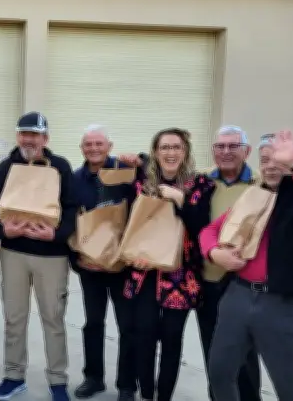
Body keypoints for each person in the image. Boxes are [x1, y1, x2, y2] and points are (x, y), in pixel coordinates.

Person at [201, 131, 293, 401]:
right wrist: (214, 253)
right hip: (238, 297)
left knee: (288, 387)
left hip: (282, 305)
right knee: (219, 373)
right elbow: (210, 231)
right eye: (265, 159)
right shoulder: (254, 197)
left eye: (279, 160)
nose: (270, 165)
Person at [0, 112, 78, 401]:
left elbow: (74, 210)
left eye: (35, 134)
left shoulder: (60, 167)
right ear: (18, 136)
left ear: (45, 138)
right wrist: (3, 231)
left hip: (52, 256)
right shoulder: (6, 167)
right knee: (14, 317)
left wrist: (57, 235)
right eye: (24, 133)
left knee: (53, 318)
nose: (29, 139)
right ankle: (13, 376)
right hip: (14, 253)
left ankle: (58, 380)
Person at [126, 128, 214, 401]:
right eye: (164, 147)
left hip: (181, 277)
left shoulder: (200, 185)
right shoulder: (142, 184)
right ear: (155, 152)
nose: (171, 153)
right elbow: (131, 224)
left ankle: (164, 396)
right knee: (144, 336)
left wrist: (181, 202)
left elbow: (202, 228)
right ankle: (147, 395)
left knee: (172, 339)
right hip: (145, 272)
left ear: (185, 151)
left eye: (176, 147)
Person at [69, 125, 140, 401]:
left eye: (99, 143)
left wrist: (141, 160)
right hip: (90, 268)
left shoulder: (125, 173)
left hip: (122, 266)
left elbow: (144, 204)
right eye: (88, 144)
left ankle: (126, 385)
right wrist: (78, 261)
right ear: (81, 148)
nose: (94, 148)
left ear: (109, 146)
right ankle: (93, 378)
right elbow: (69, 222)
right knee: (93, 324)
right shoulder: (75, 179)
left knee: (128, 327)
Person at [197, 125, 262, 401]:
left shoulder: (261, 184)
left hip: (245, 285)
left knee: (246, 355)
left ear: (246, 151)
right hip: (208, 281)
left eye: (233, 146)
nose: (226, 152)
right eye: (220, 146)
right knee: (214, 354)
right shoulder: (201, 183)